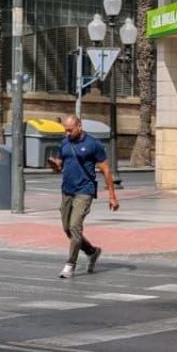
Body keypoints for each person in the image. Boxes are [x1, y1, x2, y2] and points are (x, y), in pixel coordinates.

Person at [46, 114, 118, 279]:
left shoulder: (93, 144)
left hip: (85, 190)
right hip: (67, 190)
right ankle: (92, 251)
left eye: (70, 130)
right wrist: (55, 165)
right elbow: (60, 164)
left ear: (79, 126)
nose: (67, 133)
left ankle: (70, 265)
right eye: (65, 130)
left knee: (75, 227)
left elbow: (106, 170)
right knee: (67, 229)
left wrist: (112, 196)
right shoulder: (65, 142)